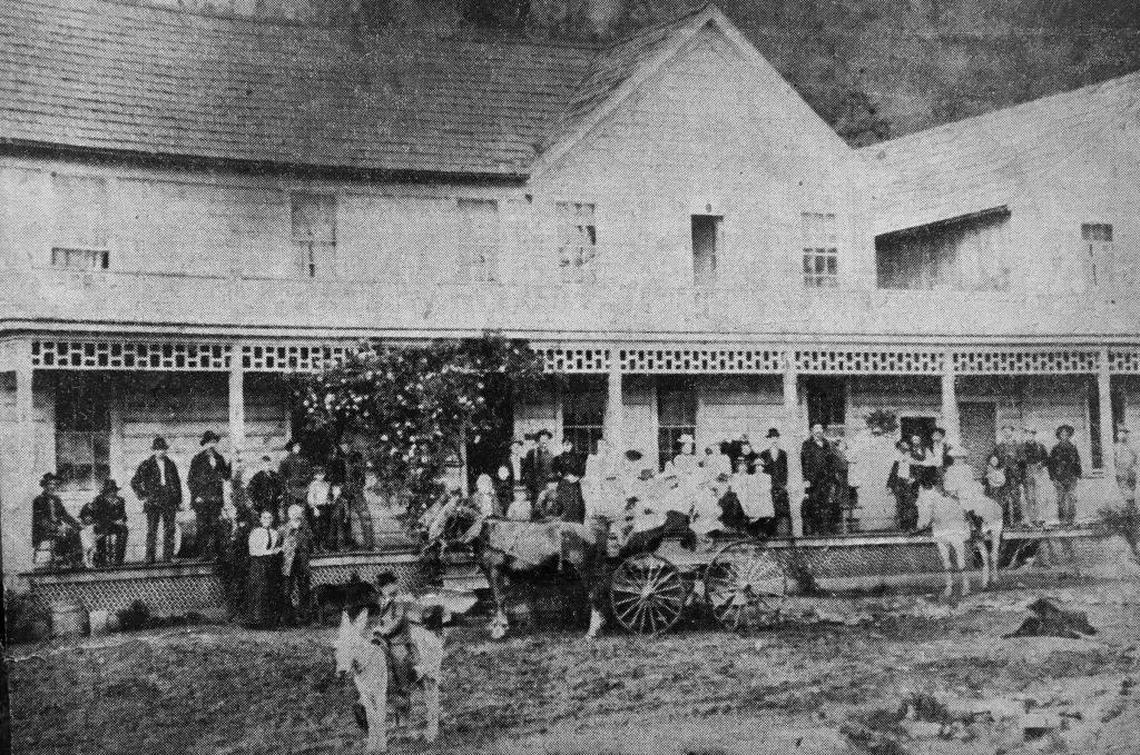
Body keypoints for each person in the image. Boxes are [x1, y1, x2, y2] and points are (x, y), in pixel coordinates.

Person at [370, 571, 421, 714]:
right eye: (381, 587)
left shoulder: (399, 600)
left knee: (399, 663)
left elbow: (397, 620)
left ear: (391, 585)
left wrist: (384, 630)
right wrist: (376, 629)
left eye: (385, 586)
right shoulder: (384, 600)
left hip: (399, 640)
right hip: (386, 640)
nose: (382, 590)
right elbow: (381, 618)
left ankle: (404, 697)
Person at [131, 436, 183, 563]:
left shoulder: (170, 464)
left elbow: (177, 483)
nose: (161, 451)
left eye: (163, 449)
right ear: (154, 450)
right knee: (152, 529)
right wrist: (144, 495)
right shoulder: (146, 464)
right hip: (153, 500)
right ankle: (149, 557)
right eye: (158, 449)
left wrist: (178, 500)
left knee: (170, 528)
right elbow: (135, 482)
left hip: (169, 499)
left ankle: (168, 556)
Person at [187, 430, 231, 560]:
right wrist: (196, 496)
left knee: (215, 526)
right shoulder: (197, 459)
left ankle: (215, 553)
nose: (212, 445)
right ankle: (203, 553)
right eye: (210, 442)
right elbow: (190, 480)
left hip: (215, 499)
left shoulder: (219, 458)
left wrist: (232, 462)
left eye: (214, 442)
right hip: (201, 499)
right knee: (202, 526)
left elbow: (226, 476)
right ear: (205, 444)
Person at [32, 472, 81, 569]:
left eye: (54, 484)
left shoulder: (57, 500)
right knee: (63, 533)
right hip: (43, 530)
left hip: (57, 528)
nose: (53, 487)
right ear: (44, 486)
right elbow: (41, 520)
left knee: (74, 531)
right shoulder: (38, 500)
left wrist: (77, 524)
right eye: (50, 484)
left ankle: (76, 560)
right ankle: (60, 559)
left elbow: (64, 515)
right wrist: (55, 527)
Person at [245, 509, 282, 628]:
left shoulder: (274, 533)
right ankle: (256, 621)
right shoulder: (256, 532)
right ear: (260, 519)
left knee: (270, 590)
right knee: (258, 590)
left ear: (272, 520)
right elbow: (253, 550)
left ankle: (268, 621)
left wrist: (278, 550)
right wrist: (269, 552)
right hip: (258, 563)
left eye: (269, 518)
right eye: (264, 518)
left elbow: (275, 548)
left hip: (270, 564)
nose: (267, 520)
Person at [79, 479, 129, 566]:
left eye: (114, 491)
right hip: (102, 524)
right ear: (105, 492)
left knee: (124, 530)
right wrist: (114, 521)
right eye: (110, 491)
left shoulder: (120, 501)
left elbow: (124, 515)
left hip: (114, 526)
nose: (112, 494)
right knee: (101, 532)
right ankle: (101, 559)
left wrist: (122, 520)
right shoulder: (99, 500)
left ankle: (118, 559)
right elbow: (98, 516)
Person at [216, 500, 251, 621]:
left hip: (240, 561)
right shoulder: (222, 526)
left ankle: (241, 612)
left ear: (236, 512)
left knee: (241, 586)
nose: (228, 512)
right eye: (225, 510)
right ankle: (231, 612)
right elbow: (218, 543)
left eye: (230, 509)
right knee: (229, 587)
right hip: (226, 562)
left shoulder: (244, 525)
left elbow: (246, 542)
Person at [280, 503, 314, 625]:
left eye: (298, 513)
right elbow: (279, 545)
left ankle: (304, 617)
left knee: (304, 589)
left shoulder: (306, 528)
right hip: (289, 563)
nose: (295, 515)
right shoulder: (284, 529)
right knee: (287, 590)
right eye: (293, 513)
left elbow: (311, 543)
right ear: (289, 515)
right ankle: (289, 618)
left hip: (302, 562)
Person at [801, 424, 834, 535]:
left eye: (820, 428)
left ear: (822, 431)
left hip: (825, 480)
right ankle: (814, 531)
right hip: (812, 480)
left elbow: (831, 462)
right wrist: (806, 479)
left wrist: (830, 477)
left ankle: (824, 530)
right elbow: (804, 463)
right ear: (812, 430)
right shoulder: (807, 444)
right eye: (816, 428)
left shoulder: (827, 444)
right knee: (813, 504)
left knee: (825, 504)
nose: (818, 431)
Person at [758, 429, 791, 536]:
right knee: (769, 507)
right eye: (772, 438)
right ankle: (769, 532)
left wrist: (784, 484)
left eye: (776, 438)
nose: (774, 440)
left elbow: (785, 470)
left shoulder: (783, 454)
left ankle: (782, 533)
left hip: (780, 485)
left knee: (781, 508)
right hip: (768, 485)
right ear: (768, 440)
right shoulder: (764, 454)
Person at [1049, 424, 1082, 525]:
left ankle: (1071, 519)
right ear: (1059, 436)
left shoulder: (1073, 448)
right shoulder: (1055, 449)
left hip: (1071, 476)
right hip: (1059, 477)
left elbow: (1077, 462)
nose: (1064, 436)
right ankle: (1062, 520)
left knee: (1071, 498)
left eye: (1066, 434)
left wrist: (1078, 474)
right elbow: (1051, 464)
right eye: (1062, 434)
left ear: (1069, 436)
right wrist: (1053, 477)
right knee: (1061, 499)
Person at [991, 425, 1024, 525]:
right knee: (1004, 499)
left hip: (1014, 476)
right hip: (1003, 477)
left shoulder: (1018, 446)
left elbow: (1023, 461)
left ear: (1012, 432)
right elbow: (994, 461)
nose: (1006, 433)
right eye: (1004, 431)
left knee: (1016, 499)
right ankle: (1006, 523)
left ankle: (1018, 522)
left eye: (1008, 431)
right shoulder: (999, 447)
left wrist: (1016, 461)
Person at [1021, 427, 1051, 524]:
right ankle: (1031, 519)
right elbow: (1019, 461)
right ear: (1025, 435)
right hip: (1027, 473)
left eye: (1032, 434)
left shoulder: (1040, 447)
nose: (1030, 436)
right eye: (1028, 434)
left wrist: (1041, 464)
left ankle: (1039, 518)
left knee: (1039, 495)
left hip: (1038, 472)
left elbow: (1047, 459)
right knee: (1029, 497)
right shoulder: (1022, 447)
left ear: (1034, 435)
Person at [553, 437, 586, 523]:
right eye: (565, 445)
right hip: (563, 486)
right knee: (563, 505)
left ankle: (576, 525)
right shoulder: (558, 458)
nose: (567, 446)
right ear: (562, 445)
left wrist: (576, 478)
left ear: (572, 445)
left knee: (576, 505)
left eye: (568, 444)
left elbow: (582, 471)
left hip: (574, 486)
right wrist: (563, 476)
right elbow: (555, 471)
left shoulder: (578, 458)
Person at [888, 440, 918, 531]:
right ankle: (903, 526)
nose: (903, 447)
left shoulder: (913, 456)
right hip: (899, 482)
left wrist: (914, 478)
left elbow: (918, 469)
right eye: (901, 446)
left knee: (910, 504)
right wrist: (889, 486)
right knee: (900, 504)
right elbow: (893, 473)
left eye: (905, 445)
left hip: (909, 482)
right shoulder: (897, 458)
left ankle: (912, 526)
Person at [522, 429, 556, 505]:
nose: (545, 441)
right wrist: (531, 488)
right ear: (538, 441)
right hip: (536, 488)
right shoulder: (532, 453)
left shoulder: (550, 454)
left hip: (548, 487)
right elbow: (527, 472)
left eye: (547, 439)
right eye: (542, 439)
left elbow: (552, 471)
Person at [279, 440, 313, 514]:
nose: (297, 448)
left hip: (302, 488)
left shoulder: (304, 460)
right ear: (292, 447)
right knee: (290, 509)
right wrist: (286, 485)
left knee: (302, 510)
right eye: (295, 446)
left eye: (298, 446)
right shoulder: (285, 460)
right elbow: (281, 475)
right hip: (290, 488)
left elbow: (309, 473)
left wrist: (306, 485)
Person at [306, 467, 333, 549]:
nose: (321, 476)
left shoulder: (326, 484)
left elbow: (329, 496)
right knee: (317, 527)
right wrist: (314, 508)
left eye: (322, 474)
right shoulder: (313, 484)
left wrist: (329, 501)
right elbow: (310, 497)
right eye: (319, 474)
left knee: (325, 526)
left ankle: (324, 545)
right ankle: (316, 546)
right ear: (315, 475)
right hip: (317, 507)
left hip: (325, 507)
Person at [1114, 427, 1138, 505]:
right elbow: (1115, 459)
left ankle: (1130, 504)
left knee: (1129, 488)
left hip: (1129, 470)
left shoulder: (1131, 446)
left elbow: (1135, 457)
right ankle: (1128, 503)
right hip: (1121, 470)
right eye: (1120, 433)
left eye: (1124, 433)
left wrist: (1131, 466)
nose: (1121, 435)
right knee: (1123, 488)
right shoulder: (1116, 446)